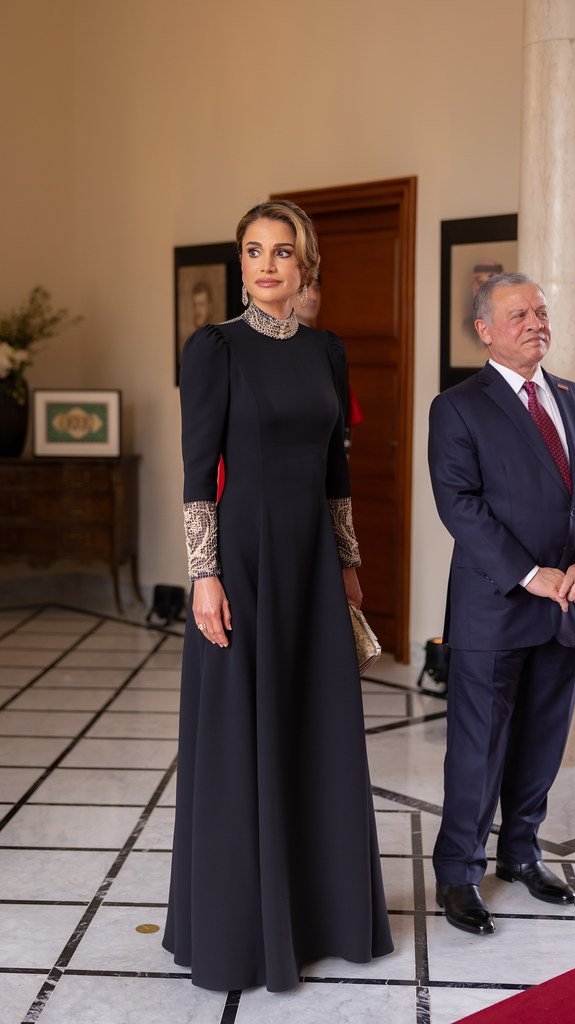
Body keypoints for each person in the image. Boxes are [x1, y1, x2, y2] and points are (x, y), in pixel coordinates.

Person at [163, 200, 393, 991]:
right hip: (243, 565)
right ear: (241, 263)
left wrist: (348, 562)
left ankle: (323, 918)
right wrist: (204, 575)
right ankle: (239, 934)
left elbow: (336, 468)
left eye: (282, 252)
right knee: (242, 737)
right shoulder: (214, 348)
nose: (266, 265)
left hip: (312, 565)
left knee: (316, 730)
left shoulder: (328, 351)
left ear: (306, 266)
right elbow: (197, 473)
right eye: (254, 251)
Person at [428, 272, 575, 937]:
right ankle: (458, 873)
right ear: (485, 330)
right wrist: (530, 574)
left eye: (540, 312)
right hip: (495, 605)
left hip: (569, 603)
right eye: (518, 315)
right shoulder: (457, 407)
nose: (536, 323)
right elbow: (459, 505)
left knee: (543, 742)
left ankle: (520, 853)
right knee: (478, 749)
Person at [295, 273, 363, 453]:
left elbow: (346, 417)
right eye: (304, 288)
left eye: (317, 288)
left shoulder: (330, 349)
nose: (313, 296)